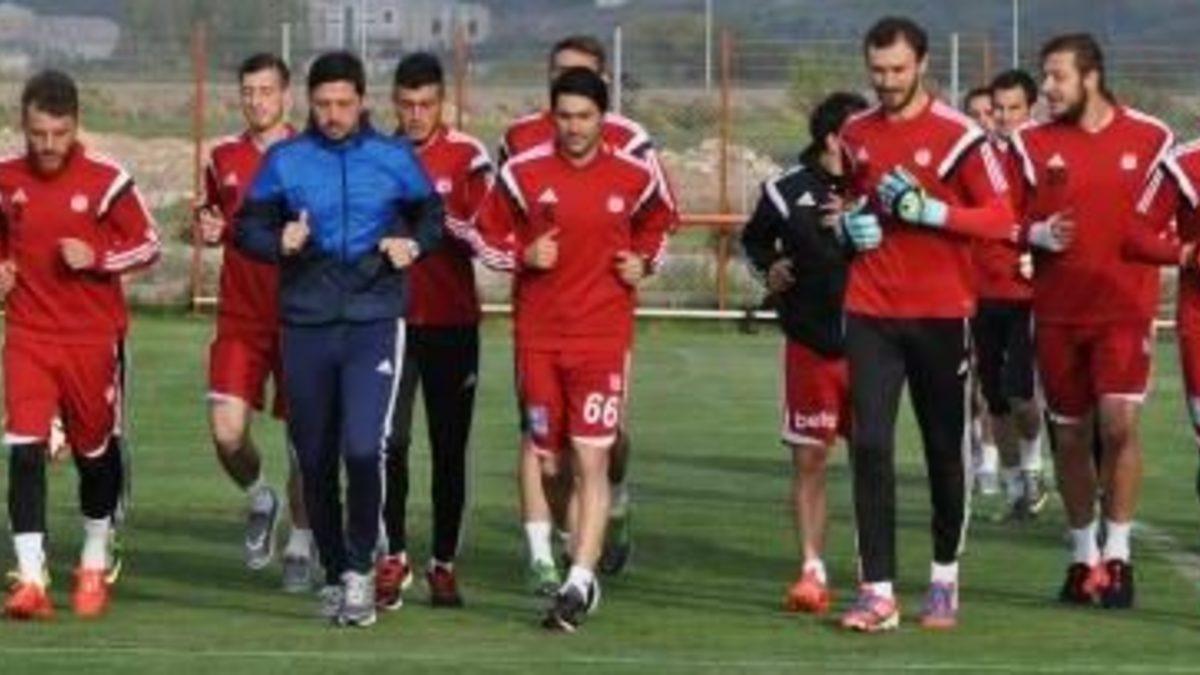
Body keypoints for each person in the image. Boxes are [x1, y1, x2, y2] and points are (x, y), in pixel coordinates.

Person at [235, 50, 444, 628]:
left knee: (363, 447)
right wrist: (279, 240)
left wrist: (412, 245)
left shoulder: (393, 158)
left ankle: (358, 572)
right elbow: (246, 228)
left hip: (374, 320)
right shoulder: (286, 160)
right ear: (310, 102)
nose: (333, 114)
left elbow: (432, 216)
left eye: (343, 104)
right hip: (306, 323)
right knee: (315, 457)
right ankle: (333, 572)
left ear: (362, 102)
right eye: (323, 104)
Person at [835, 17, 1025, 632]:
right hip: (869, 309)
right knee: (869, 444)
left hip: (942, 314)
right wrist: (850, 227)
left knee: (944, 448)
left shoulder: (960, 137)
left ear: (921, 64)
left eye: (897, 69)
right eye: (877, 70)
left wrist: (933, 212)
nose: (887, 81)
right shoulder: (855, 131)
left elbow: (1001, 218)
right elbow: (853, 199)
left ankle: (944, 576)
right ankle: (877, 591)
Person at [475, 67, 674, 632]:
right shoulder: (522, 172)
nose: (574, 127)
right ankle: (571, 537)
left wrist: (645, 263)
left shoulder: (635, 173)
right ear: (552, 117)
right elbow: (483, 234)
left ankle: (581, 582)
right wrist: (522, 255)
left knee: (592, 458)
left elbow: (662, 224)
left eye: (584, 117)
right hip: (539, 340)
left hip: (602, 339)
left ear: (603, 118)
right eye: (564, 116)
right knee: (550, 463)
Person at [1011, 33, 1172, 609]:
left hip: (1125, 310)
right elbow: (1002, 219)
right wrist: (1035, 234)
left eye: (1057, 76)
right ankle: (1083, 558)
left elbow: (1171, 215)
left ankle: (1119, 555)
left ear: (1091, 76)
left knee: (1120, 425)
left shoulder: (1152, 138)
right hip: (1057, 313)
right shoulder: (1029, 143)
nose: (1046, 88)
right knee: (1072, 435)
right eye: (1045, 76)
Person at [1, 70, 160, 619]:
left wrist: (97, 257)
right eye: (38, 134)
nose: (48, 145)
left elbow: (148, 244)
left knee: (95, 456)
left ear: (75, 126)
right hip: (28, 335)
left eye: (59, 134)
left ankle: (94, 556)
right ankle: (31, 578)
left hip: (92, 340)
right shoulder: (6, 179)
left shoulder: (107, 181)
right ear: (23, 124)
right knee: (24, 449)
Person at [742, 91, 868, 615]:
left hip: (873, 348)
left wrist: (860, 218)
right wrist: (768, 268)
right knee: (810, 459)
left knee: (871, 458)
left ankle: (873, 571)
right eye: (860, 135)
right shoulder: (785, 191)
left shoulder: (880, 188)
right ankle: (812, 570)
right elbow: (753, 242)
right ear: (833, 139)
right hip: (810, 347)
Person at [375, 52, 493, 610]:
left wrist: (437, 220)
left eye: (426, 104)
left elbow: (490, 235)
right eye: (407, 104)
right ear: (394, 103)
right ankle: (393, 556)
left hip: (452, 324)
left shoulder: (468, 156)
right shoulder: (378, 154)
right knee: (388, 443)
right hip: (390, 323)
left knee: (449, 448)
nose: (416, 114)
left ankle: (443, 563)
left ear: (442, 102)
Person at [196, 52, 314, 590]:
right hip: (240, 317)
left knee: (304, 440)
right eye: (248, 91)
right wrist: (204, 227)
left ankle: (301, 542)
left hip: (301, 317)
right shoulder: (223, 156)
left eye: (266, 91)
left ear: (286, 96)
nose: (256, 101)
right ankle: (261, 496)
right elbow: (210, 218)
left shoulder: (312, 156)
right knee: (226, 433)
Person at [972, 69, 1047, 520]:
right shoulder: (973, 157)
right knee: (993, 397)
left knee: (1019, 391)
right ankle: (1017, 483)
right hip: (979, 291)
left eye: (1012, 108)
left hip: (1026, 292)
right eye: (996, 109)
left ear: (1031, 108)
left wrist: (1039, 255)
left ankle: (1034, 465)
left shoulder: (1042, 155)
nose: (1002, 117)